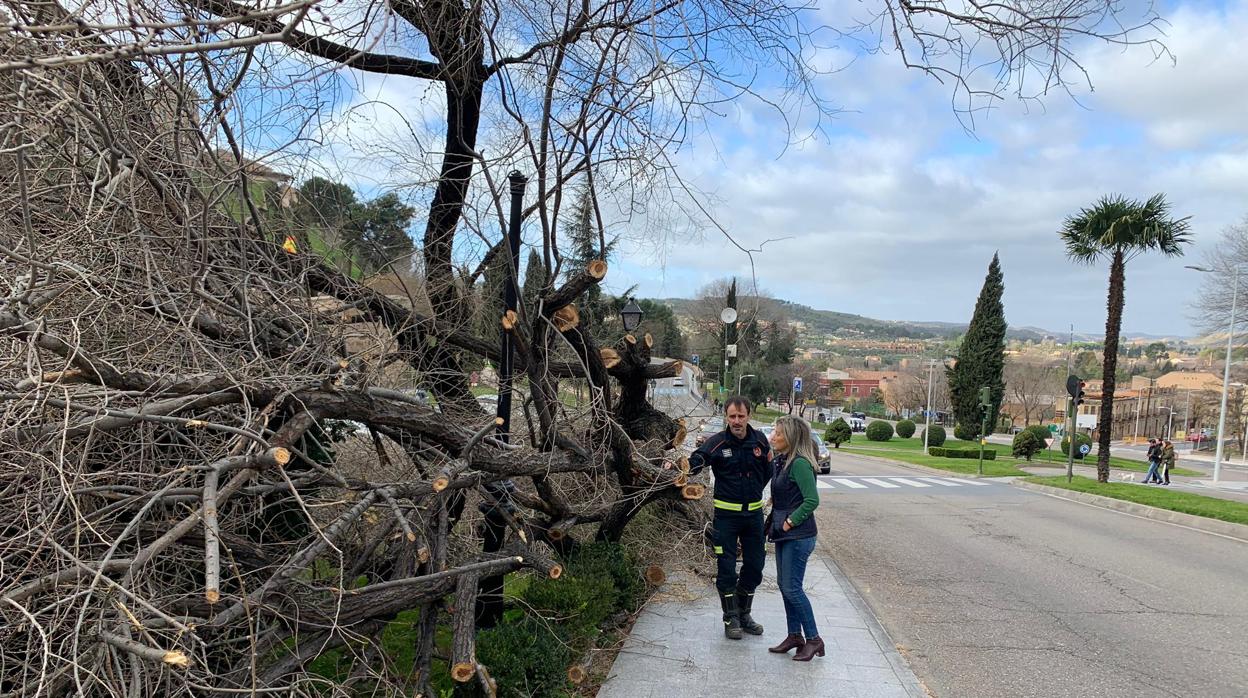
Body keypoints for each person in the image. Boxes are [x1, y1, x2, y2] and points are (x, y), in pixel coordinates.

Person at [688, 395, 771, 640]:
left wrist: (753, 491)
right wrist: (681, 467)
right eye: (732, 416)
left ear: (749, 416)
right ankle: (731, 618)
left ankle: (745, 614)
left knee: (755, 568)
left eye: (741, 416)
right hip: (726, 517)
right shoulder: (717, 443)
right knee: (726, 570)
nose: (736, 421)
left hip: (753, 516)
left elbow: (768, 472)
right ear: (726, 416)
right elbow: (697, 460)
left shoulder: (760, 441)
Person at [765, 415, 824, 661]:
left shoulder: (799, 463)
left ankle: (814, 639)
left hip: (798, 535)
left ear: (790, 437)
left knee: (793, 588)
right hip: (785, 533)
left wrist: (790, 522)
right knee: (784, 586)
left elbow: (812, 500)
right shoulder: (783, 461)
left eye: (777, 433)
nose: (773, 437)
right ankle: (794, 636)